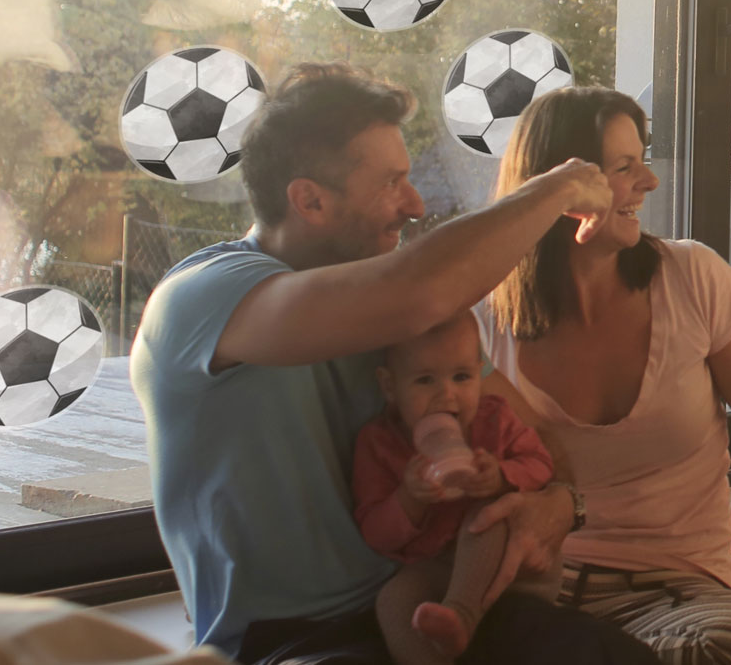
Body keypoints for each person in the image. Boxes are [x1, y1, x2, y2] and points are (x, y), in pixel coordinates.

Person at [130, 63, 661, 665]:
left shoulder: (394, 316)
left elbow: (523, 433)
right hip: (296, 640)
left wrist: (559, 501)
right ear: (309, 200)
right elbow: (419, 292)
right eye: (390, 184)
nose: (413, 204)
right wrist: (559, 188)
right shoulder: (204, 297)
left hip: (434, 596)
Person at [472, 85, 731, 665]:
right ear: (561, 187)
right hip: (538, 593)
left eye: (643, 162)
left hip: (681, 595)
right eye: (625, 169)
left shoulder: (692, 275)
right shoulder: (483, 315)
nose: (648, 183)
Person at [353, 311, 559, 665]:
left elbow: (542, 464)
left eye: (462, 376)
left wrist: (502, 476)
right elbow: (375, 533)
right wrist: (408, 500)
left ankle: (462, 615)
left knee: (489, 513)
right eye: (424, 380)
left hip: (511, 568)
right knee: (393, 600)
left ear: (480, 373)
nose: (446, 394)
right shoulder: (379, 444)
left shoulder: (495, 418)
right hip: (436, 570)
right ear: (389, 386)